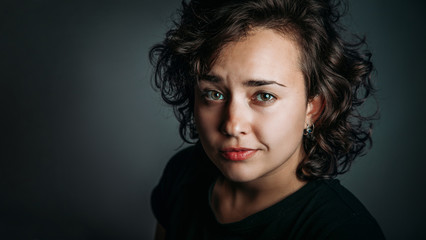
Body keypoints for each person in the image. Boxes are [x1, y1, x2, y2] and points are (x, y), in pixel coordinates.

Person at [149, 0, 385, 239]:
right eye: (214, 94)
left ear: (312, 109)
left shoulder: (343, 231)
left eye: (264, 96)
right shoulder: (182, 173)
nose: (232, 125)